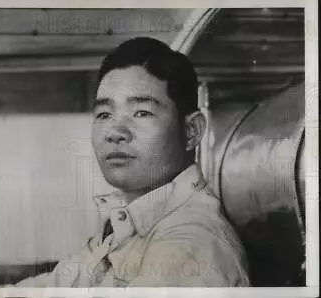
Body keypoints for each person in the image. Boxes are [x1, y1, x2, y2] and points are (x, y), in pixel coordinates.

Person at [15, 37, 250, 287]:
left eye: (142, 113)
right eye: (104, 114)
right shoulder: (129, 221)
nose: (115, 132)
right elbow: (58, 285)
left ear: (191, 130)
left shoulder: (191, 246)